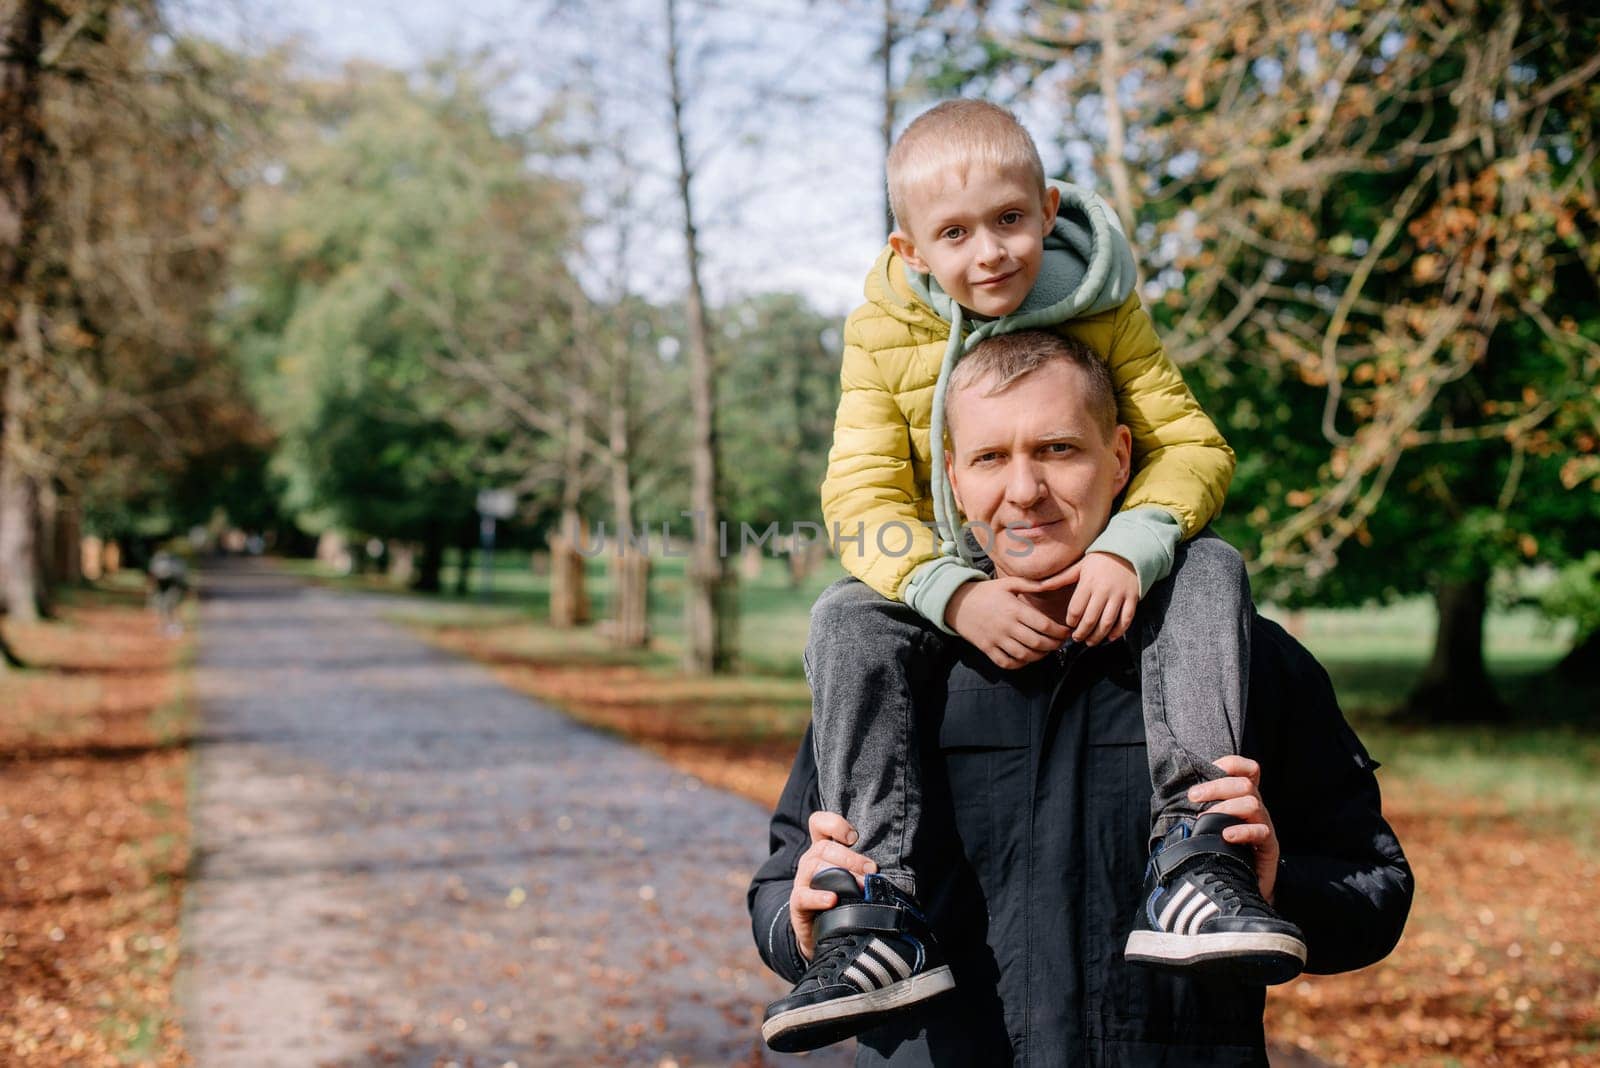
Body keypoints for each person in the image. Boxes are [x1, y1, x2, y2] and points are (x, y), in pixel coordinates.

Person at [772, 98, 1281, 1049]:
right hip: (935, 582)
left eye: (1009, 220)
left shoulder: (1100, 295)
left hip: (1111, 569)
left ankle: (1197, 855)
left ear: (1048, 209)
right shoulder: (881, 331)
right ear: (911, 248)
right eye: (955, 235)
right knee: (844, 619)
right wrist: (953, 593)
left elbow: (1191, 446)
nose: (990, 254)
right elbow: (858, 497)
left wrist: (1131, 548)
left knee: (1210, 562)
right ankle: (875, 906)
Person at [752, 336, 1413, 1062]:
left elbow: (1374, 887)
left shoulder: (1238, 651)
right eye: (990, 458)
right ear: (953, 476)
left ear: (1121, 456)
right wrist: (803, 922)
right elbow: (782, 881)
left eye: (1059, 449)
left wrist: (1272, 883)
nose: (1025, 490)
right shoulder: (885, 664)